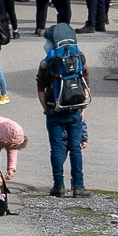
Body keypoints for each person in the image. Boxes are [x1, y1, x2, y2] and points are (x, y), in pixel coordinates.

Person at [37, 22, 91, 196]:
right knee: (75, 148)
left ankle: (58, 185)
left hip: (55, 109)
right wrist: (82, 109)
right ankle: (79, 186)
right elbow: (85, 86)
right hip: (75, 109)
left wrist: (46, 109)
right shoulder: (78, 58)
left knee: (56, 148)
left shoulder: (48, 62)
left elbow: (40, 89)